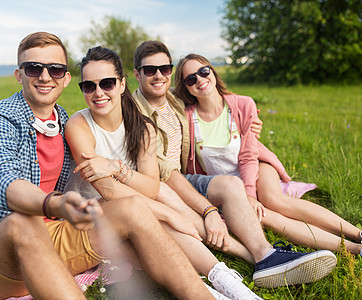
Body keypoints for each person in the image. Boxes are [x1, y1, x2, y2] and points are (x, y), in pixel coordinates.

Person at [0, 32, 218, 300]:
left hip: (58, 240)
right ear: (19, 75)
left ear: (65, 79)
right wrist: (55, 204)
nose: (44, 76)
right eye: (33, 68)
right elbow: (8, 185)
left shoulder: (63, 121)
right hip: (1, 262)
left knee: (133, 207)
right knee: (22, 222)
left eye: (55, 69)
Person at [132, 40, 337, 288]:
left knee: (242, 190)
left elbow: (220, 109)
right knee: (260, 210)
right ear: (136, 74)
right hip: (167, 182)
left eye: (164, 69)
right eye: (149, 70)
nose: (158, 75)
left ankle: (269, 256)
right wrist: (208, 210)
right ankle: (268, 257)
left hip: (205, 175)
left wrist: (249, 124)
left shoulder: (174, 100)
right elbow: (167, 174)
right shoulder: (137, 116)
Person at [65, 45, 264, 299]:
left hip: (132, 203)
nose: (98, 93)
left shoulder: (141, 126)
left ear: (122, 84)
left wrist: (116, 167)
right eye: (89, 86)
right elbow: (107, 190)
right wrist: (171, 215)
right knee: (152, 220)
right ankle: (210, 287)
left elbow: (152, 186)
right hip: (92, 212)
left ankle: (225, 280)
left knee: (159, 199)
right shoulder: (79, 125)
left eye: (107, 83)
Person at [173, 53, 362, 257]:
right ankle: (355, 249)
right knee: (265, 216)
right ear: (186, 87)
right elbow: (161, 93)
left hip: (255, 166)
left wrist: (249, 195)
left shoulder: (243, 105)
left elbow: (248, 157)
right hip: (224, 183)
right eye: (191, 79)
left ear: (212, 71)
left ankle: (358, 233)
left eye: (203, 71)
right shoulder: (186, 117)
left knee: (273, 200)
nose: (200, 80)